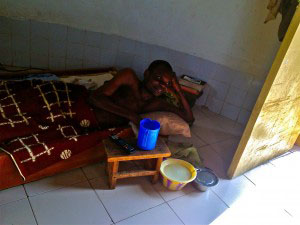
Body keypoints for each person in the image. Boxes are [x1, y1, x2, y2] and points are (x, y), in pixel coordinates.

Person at [89, 60, 194, 129]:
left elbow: (189, 119)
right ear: (146, 74)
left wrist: (178, 90)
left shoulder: (156, 103)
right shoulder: (129, 77)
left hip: (98, 126)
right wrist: (132, 116)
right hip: (87, 110)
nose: (162, 86)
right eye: (158, 78)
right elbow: (95, 98)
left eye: (166, 83)